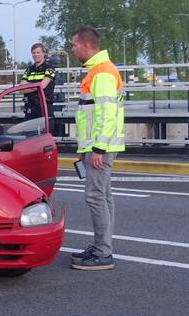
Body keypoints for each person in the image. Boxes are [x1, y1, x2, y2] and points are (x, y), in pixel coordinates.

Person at [70, 27, 124, 271]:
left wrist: (98, 149)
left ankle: (103, 252)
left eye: (74, 45)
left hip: (100, 146)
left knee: (95, 197)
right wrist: (85, 149)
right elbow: (92, 114)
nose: (73, 50)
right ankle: (103, 246)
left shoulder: (101, 73)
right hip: (96, 146)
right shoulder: (98, 70)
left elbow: (106, 114)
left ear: (87, 46)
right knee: (103, 196)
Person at [22, 42, 57, 132]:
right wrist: (36, 87)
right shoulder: (29, 69)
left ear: (43, 53)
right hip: (30, 106)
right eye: (33, 53)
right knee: (29, 136)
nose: (36, 55)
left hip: (44, 105)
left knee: (46, 135)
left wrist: (29, 86)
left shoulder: (50, 68)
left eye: (38, 52)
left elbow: (42, 86)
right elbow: (22, 88)